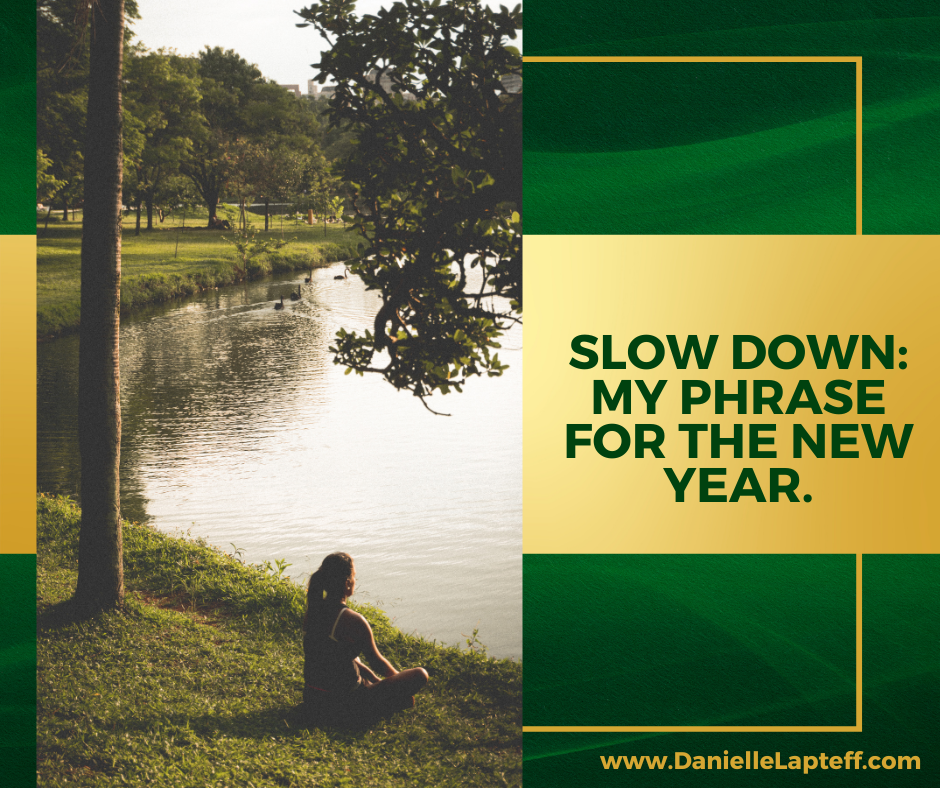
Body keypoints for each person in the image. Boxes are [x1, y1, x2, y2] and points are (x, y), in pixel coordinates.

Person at [302, 552, 428, 725]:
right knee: (420, 674)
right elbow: (378, 663)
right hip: (343, 704)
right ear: (347, 583)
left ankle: (379, 695)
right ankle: (383, 703)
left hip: (313, 699)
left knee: (351, 653)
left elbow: (337, 657)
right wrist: (399, 684)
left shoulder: (314, 612)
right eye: (354, 577)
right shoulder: (353, 621)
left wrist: (375, 680)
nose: (355, 581)